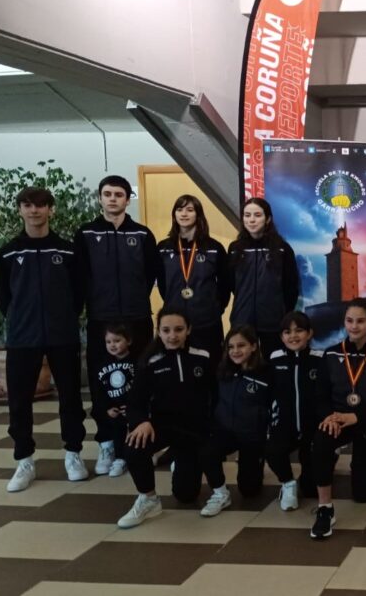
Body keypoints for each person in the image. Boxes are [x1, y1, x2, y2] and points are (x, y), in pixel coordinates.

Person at [0, 186, 87, 492]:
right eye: (27, 205)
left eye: (40, 205)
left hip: (63, 336)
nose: (34, 211)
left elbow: (79, 293)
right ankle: (24, 461)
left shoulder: (68, 251)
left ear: (51, 210)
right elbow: (3, 297)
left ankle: (73, 454)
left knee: (70, 398)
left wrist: (64, 317)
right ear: (20, 210)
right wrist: (21, 318)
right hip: (22, 338)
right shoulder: (7, 253)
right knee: (19, 402)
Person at [75, 175, 158, 476]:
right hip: (101, 318)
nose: (113, 199)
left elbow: (150, 274)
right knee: (102, 381)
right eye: (107, 194)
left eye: (118, 194)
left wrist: (135, 299)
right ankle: (107, 442)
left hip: (137, 318)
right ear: (100, 198)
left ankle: (136, 437)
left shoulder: (142, 234)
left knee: (140, 376)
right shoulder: (86, 233)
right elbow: (80, 275)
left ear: (127, 199)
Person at [310, 297, 366, 540]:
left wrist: (357, 417)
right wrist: (328, 417)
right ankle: (325, 508)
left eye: (360, 321)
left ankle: (357, 465)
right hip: (338, 419)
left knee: (363, 495)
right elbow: (320, 395)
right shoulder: (331, 353)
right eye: (349, 321)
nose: (354, 326)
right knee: (321, 442)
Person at [118, 308, 214, 528]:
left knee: (186, 495)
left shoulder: (203, 356)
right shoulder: (150, 361)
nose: (172, 336)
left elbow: (216, 396)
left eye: (179, 329)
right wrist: (141, 421)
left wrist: (211, 429)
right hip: (161, 426)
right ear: (158, 331)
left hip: (193, 431)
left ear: (188, 329)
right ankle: (149, 499)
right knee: (133, 447)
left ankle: (176, 457)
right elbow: (135, 401)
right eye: (166, 330)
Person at [199, 325, 273, 517]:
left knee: (249, 491)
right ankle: (220, 493)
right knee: (206, 450)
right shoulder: (223, 371)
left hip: (252, 436)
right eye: (230, 347)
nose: (235, 351)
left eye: (241, 345)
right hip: (225, 431)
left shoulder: (266, 373)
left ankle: (255, 464)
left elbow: (273, 405)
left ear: (254, 346)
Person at [157, 194, 231, 366]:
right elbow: (162, 284)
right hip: (174, 324)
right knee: (177, 367)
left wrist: (215, 308)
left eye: (190, 210)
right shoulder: (163, 248)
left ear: (198, 215)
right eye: (179, 209)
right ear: (174, 215)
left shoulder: (214, 248)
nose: (184, 214)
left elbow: (225, 285)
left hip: (207, 321)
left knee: (210, 367)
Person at [265, 311, 323, 510]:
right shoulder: (275, 359)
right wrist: (272, 422)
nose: (293, 336)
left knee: (311, 490)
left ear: (309, 333)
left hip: (311, 427)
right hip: (285, 425)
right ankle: (288, 483)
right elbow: (270, 393)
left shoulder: (319, 359)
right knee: (272, 449)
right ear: (281, 336)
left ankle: (325, 461)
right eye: (287, 332)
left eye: (299, 330)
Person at [227, 198, 299, 356]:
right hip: (242, 320)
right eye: (247, 215)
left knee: (272, 363)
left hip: (273, 322)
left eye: (257, 215)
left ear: (268, 219)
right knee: (243, 363)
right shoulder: (235, 249)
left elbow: (291, 286)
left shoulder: (282, 249)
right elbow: (230, 284)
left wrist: (283, 314)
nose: (251, 220)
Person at [90, 324, 137, 478]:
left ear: (128, 341)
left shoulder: (136, 362)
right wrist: (107, 408)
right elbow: (100, 391)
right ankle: (119, 458)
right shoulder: (102, 365)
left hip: (132, 408)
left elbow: (140, 387)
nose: (112, 345)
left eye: (117, 341)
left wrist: (133, 406)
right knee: (117, 429)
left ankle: (133, 456)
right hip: (114, 409)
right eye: (108, 342)